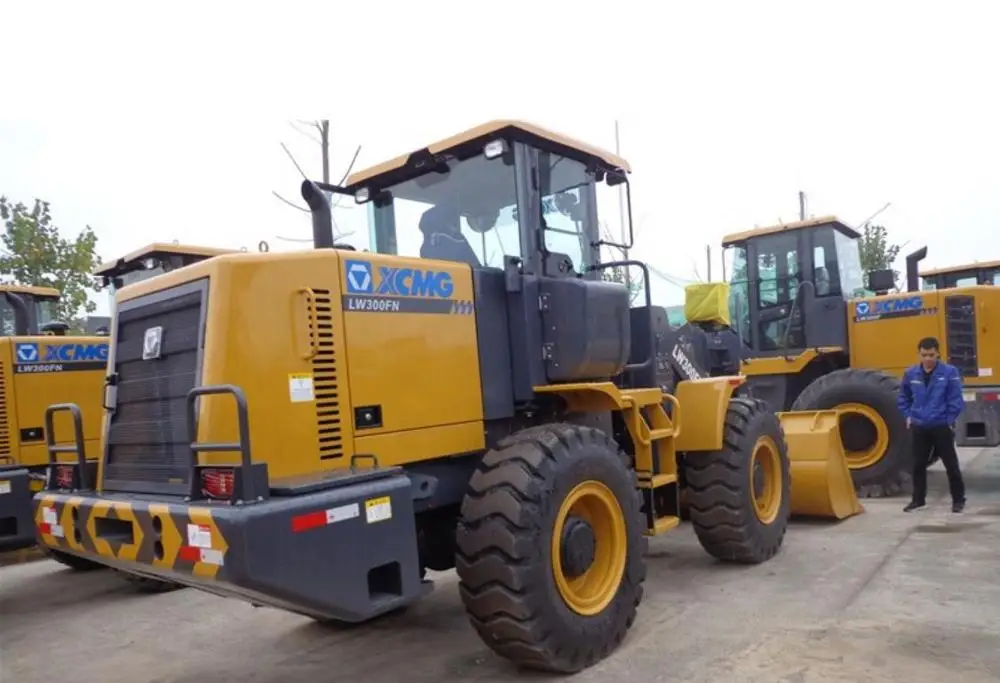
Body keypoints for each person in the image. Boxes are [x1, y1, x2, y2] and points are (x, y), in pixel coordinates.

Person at [897, 336, 967, 513]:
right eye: (924, 355)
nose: (927, 359)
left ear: (938, 354)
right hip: (919, 425)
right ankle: (918, 500)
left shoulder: (949, 373)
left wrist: (949, 419)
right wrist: (908, 416)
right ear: (919, 355)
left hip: (941, 425)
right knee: (918, 465)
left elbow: (956, 399)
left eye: (931, 355)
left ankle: (958, 500)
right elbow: (903, 397)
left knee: (951, 464)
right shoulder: (911, 373)